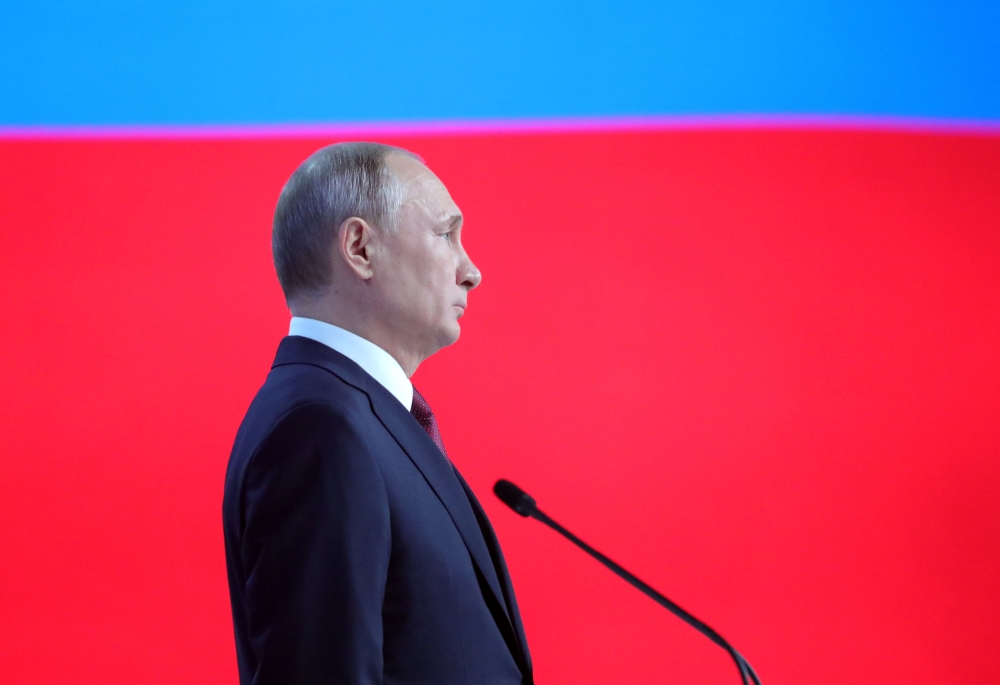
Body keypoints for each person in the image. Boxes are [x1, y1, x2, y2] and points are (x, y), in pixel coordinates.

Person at [222, 142, 532, 685]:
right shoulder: (319, 429)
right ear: (360, 248)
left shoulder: (358, 417)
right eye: (446, 234)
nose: (472, 272)